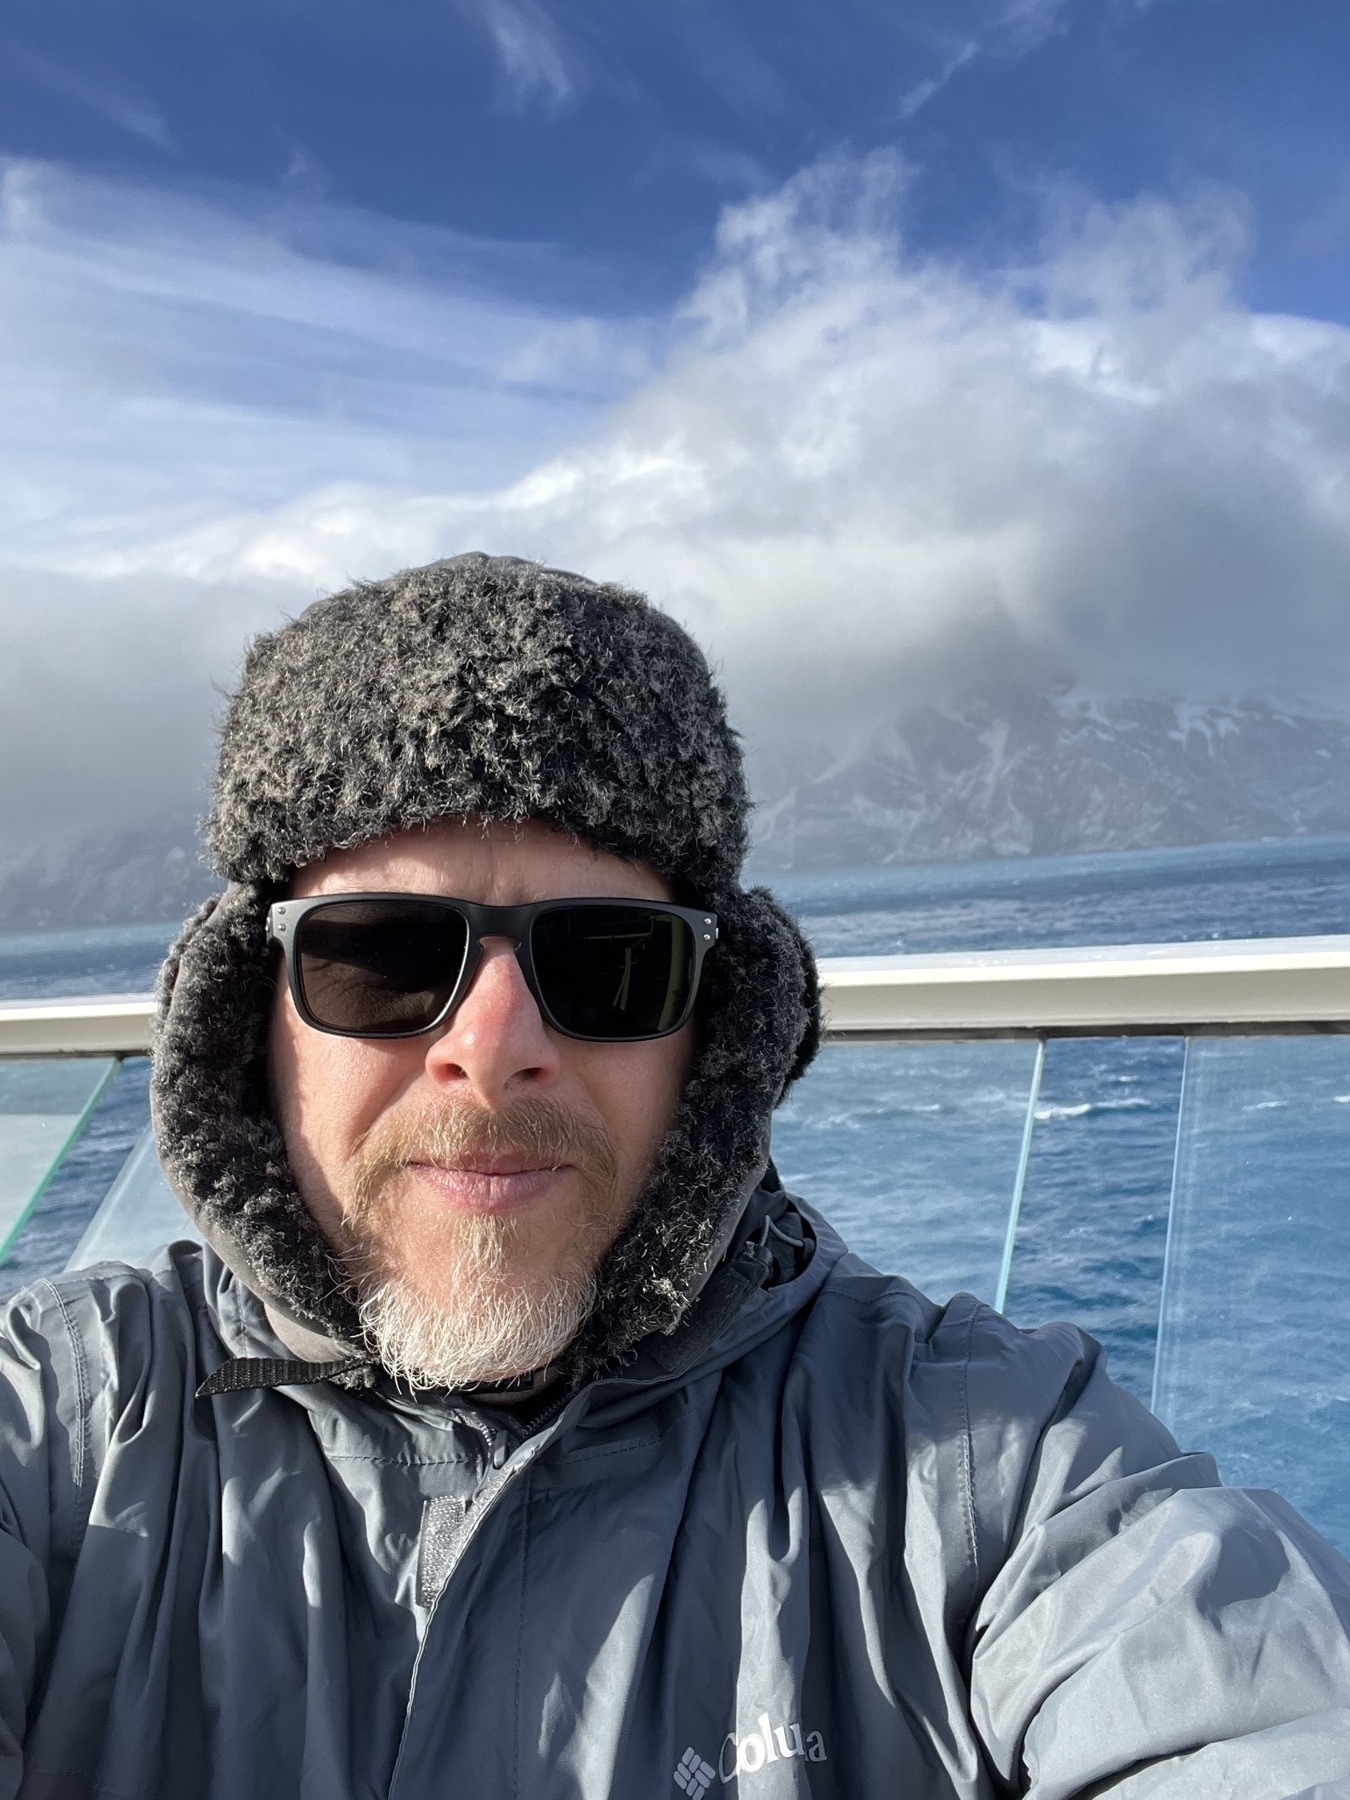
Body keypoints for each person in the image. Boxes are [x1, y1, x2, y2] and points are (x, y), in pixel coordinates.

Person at [2, 553, 1348, 1800]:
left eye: (605, 962)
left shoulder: (996, 1466)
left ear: (713, 1030)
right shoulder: (54, 1427)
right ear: (255, 1020)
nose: (492, 1046)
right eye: (382, 955)